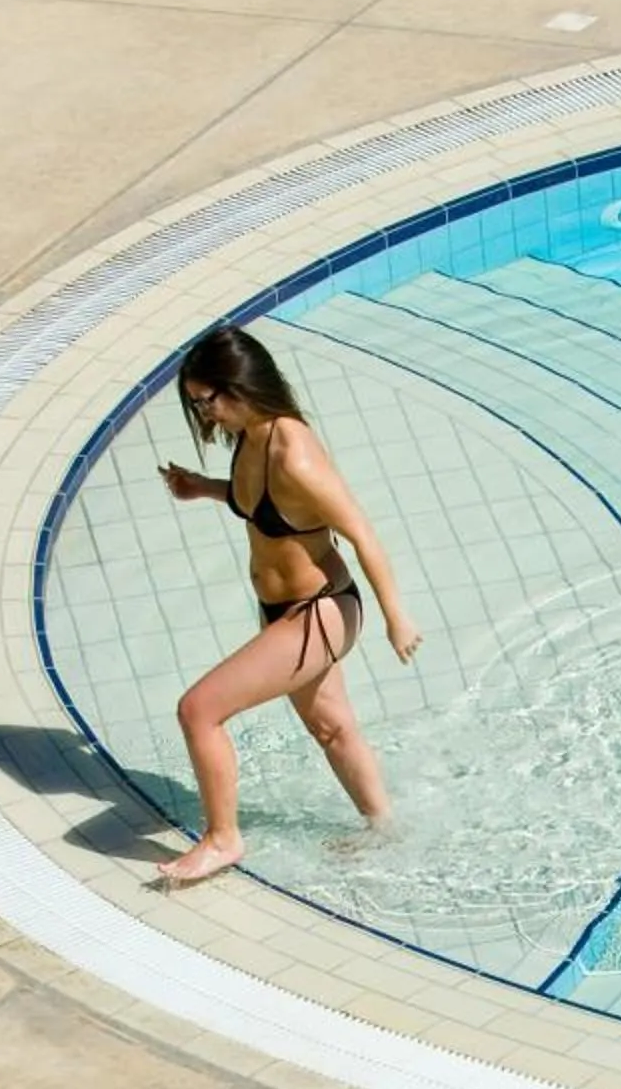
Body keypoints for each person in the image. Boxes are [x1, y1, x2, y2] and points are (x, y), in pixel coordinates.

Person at [155, 324, 422, 886]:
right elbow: (261, 504)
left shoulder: (294, 454)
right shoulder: (250, 437)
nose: (203, 415)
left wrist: (396, 618)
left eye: (205, 401)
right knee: (331, 728)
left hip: (321, 610)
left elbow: (361, 533)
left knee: (198, 710)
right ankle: (385, 829)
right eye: (195, 404)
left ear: (239, 386)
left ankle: (223, 839)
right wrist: (203, 487)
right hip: (283, 613)